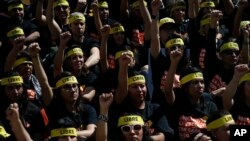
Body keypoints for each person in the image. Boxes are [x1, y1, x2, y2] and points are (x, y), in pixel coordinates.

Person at [112, 52, 174, 141]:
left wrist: (144, 139)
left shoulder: (155, 109)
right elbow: (122, 88)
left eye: (142, 86)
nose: (140, 90)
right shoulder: (122, 108)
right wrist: (124, 65)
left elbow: (165, 135)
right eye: (134, 87)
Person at [163, 44, 217, 140]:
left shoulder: (210, 106)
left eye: (202, 82)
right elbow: (167, 91)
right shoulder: (177, 103)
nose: (200, 86)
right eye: (195, 83)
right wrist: (174, 62)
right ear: (185, 87)